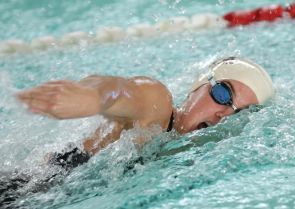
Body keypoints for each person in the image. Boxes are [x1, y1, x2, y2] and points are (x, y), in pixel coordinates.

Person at [17, 56, 275, 160]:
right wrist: (90, 97)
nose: (224, 114)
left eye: (240, 113)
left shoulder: (186, 156)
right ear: (198, 85)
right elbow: (120, 90)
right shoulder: (158, 106)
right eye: (223, 94)